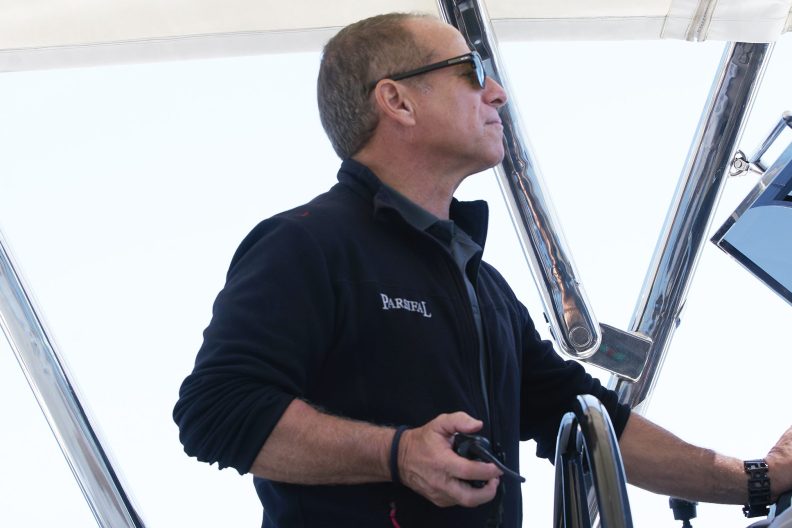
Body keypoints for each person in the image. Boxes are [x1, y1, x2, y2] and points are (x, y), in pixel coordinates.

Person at [173, 12, 792, 528]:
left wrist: (755, 480)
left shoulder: (484, 288)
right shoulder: (307, 245)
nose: (497, 92)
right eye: (473, 73)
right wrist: (397, 454)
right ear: (397, 101)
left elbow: (582, 413)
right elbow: (216, 411)